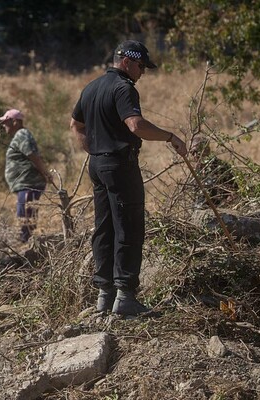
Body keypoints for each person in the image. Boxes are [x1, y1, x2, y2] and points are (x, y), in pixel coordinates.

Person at [70, 40, 188, 316]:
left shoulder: (92, 87)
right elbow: (135, 125)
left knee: (104, 228)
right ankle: (125, 297)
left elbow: (76, 124)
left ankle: (104, 295)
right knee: (129, 226)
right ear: (126, 62)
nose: (143, 72)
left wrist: (95, 150)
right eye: (141, 66)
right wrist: (171, 137)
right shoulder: (123, 89)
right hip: (120, 166)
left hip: (98, 165)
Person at [0, 109, 53, 243]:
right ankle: (27, 241)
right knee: (26, 214)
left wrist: (45, 173)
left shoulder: (22, 134)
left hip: (29, 184)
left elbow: (32, 155)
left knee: (26, 215)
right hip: (26, 184)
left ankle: (26, 243)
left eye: (5, 122)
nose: (3, 125)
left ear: (15, 122)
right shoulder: (20, 135)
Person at [190, 136, 237, 208]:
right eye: (193, 153)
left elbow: (234, 191)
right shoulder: (196, 172)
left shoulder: (220, 167)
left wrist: (223, 206)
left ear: (207, 150)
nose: (195, 155)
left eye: (198, 151)